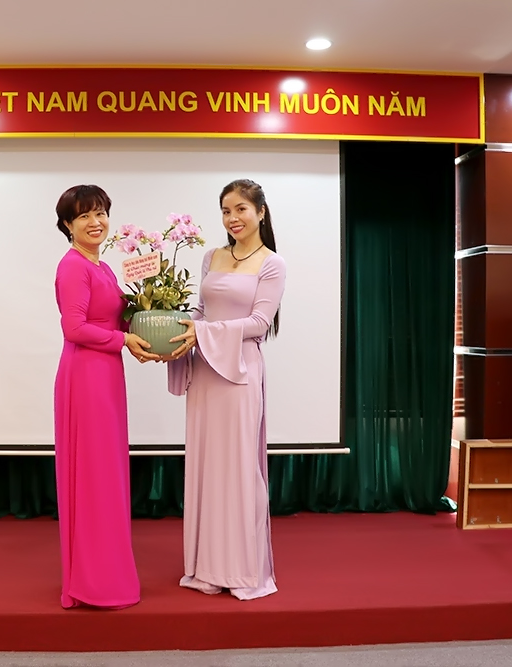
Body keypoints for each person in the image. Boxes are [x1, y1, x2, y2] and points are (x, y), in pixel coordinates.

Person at [166, 179, 286, 601]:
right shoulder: (211, 256)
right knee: (206, 466)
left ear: (260, 212)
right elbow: (201, 312)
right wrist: (173, 328)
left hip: (239, 373)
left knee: (237, 468)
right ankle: (207, 569)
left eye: (241, 209)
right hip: (205, 372)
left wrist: (201, 333)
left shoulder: (272, 264)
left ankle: (240, 569)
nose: (233, 218)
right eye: (226, 211)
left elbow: (259, 324)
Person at [52, 184, 157, 609]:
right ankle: (90, 581)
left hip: (107, 374)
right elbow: (74, 328)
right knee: (93, 475)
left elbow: (117, 318)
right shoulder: (73, 267)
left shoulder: (105, 266)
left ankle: (105, 572)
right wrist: (124, 340)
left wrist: (150, 319)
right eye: (83, 216)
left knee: (107, 474)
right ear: (67, 225)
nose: (95, 222)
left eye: (100, 213)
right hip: (86, 377)